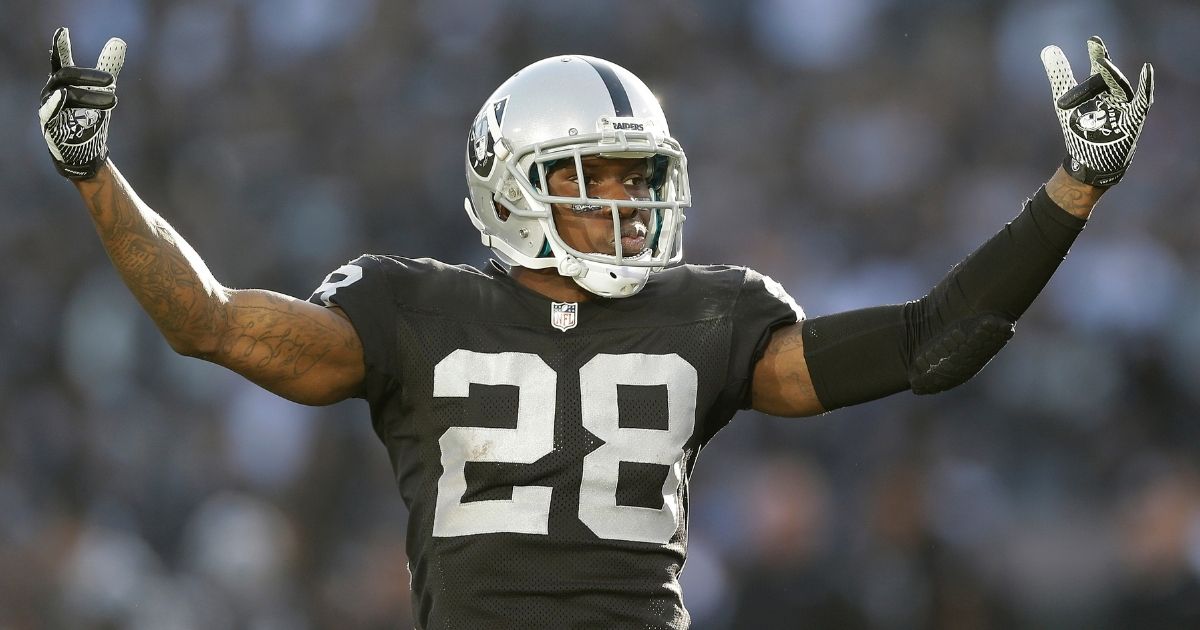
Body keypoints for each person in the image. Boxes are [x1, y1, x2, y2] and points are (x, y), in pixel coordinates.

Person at [39, 25, 1154, 629]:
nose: (629, 202)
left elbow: (931, 344)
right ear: (510, 186)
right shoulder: (411, 306)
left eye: (640, 175)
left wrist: (1074, 188)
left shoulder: (708, 313)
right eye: (595, 177)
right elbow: (210, 323)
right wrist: (97, 173)